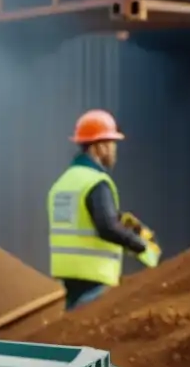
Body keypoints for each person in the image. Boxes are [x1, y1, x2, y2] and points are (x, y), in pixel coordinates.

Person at [47, 109, 159, 310]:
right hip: (95, 274)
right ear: (99, 147)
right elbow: (106, 227)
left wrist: (120, 221)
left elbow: (83, 219)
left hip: (68, 274)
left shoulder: (63, 183)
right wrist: (140, 245)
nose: (114, 150)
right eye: (111, 143)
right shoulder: (96, 182)